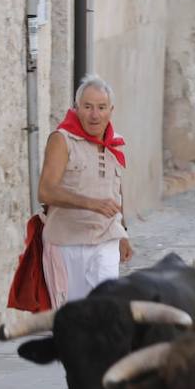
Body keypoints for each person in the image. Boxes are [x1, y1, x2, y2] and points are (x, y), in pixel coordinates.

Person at [37, 75, 132, 306]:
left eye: (101, 107)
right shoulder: (62, 140)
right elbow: (45, 192)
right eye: (88, 107)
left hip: (106, 239)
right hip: (67, 242)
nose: (94, 114)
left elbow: (116, 189)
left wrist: (123, 232)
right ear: (77, 108)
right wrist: (90, 203)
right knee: (73, 317)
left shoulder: (115, 142)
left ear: (111, 110)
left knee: (106, 309)